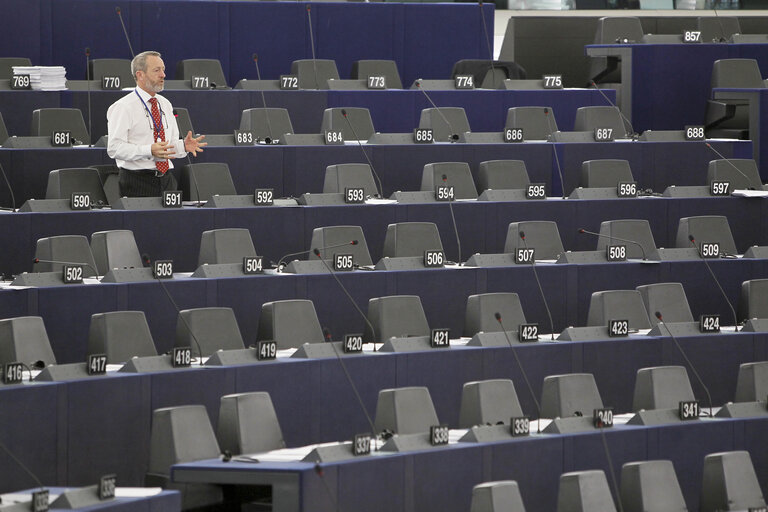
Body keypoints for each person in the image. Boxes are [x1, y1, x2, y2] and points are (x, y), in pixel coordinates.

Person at [107, 50, 207, 197]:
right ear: (140, 75)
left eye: (163, 70)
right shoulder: (123, 107)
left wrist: (183, 146)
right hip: (137, 181)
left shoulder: (165, 104)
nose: (163, 75)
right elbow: (114, 148)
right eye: (157, 70)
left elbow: (167, 145)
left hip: (166, 179)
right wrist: (148, 150)